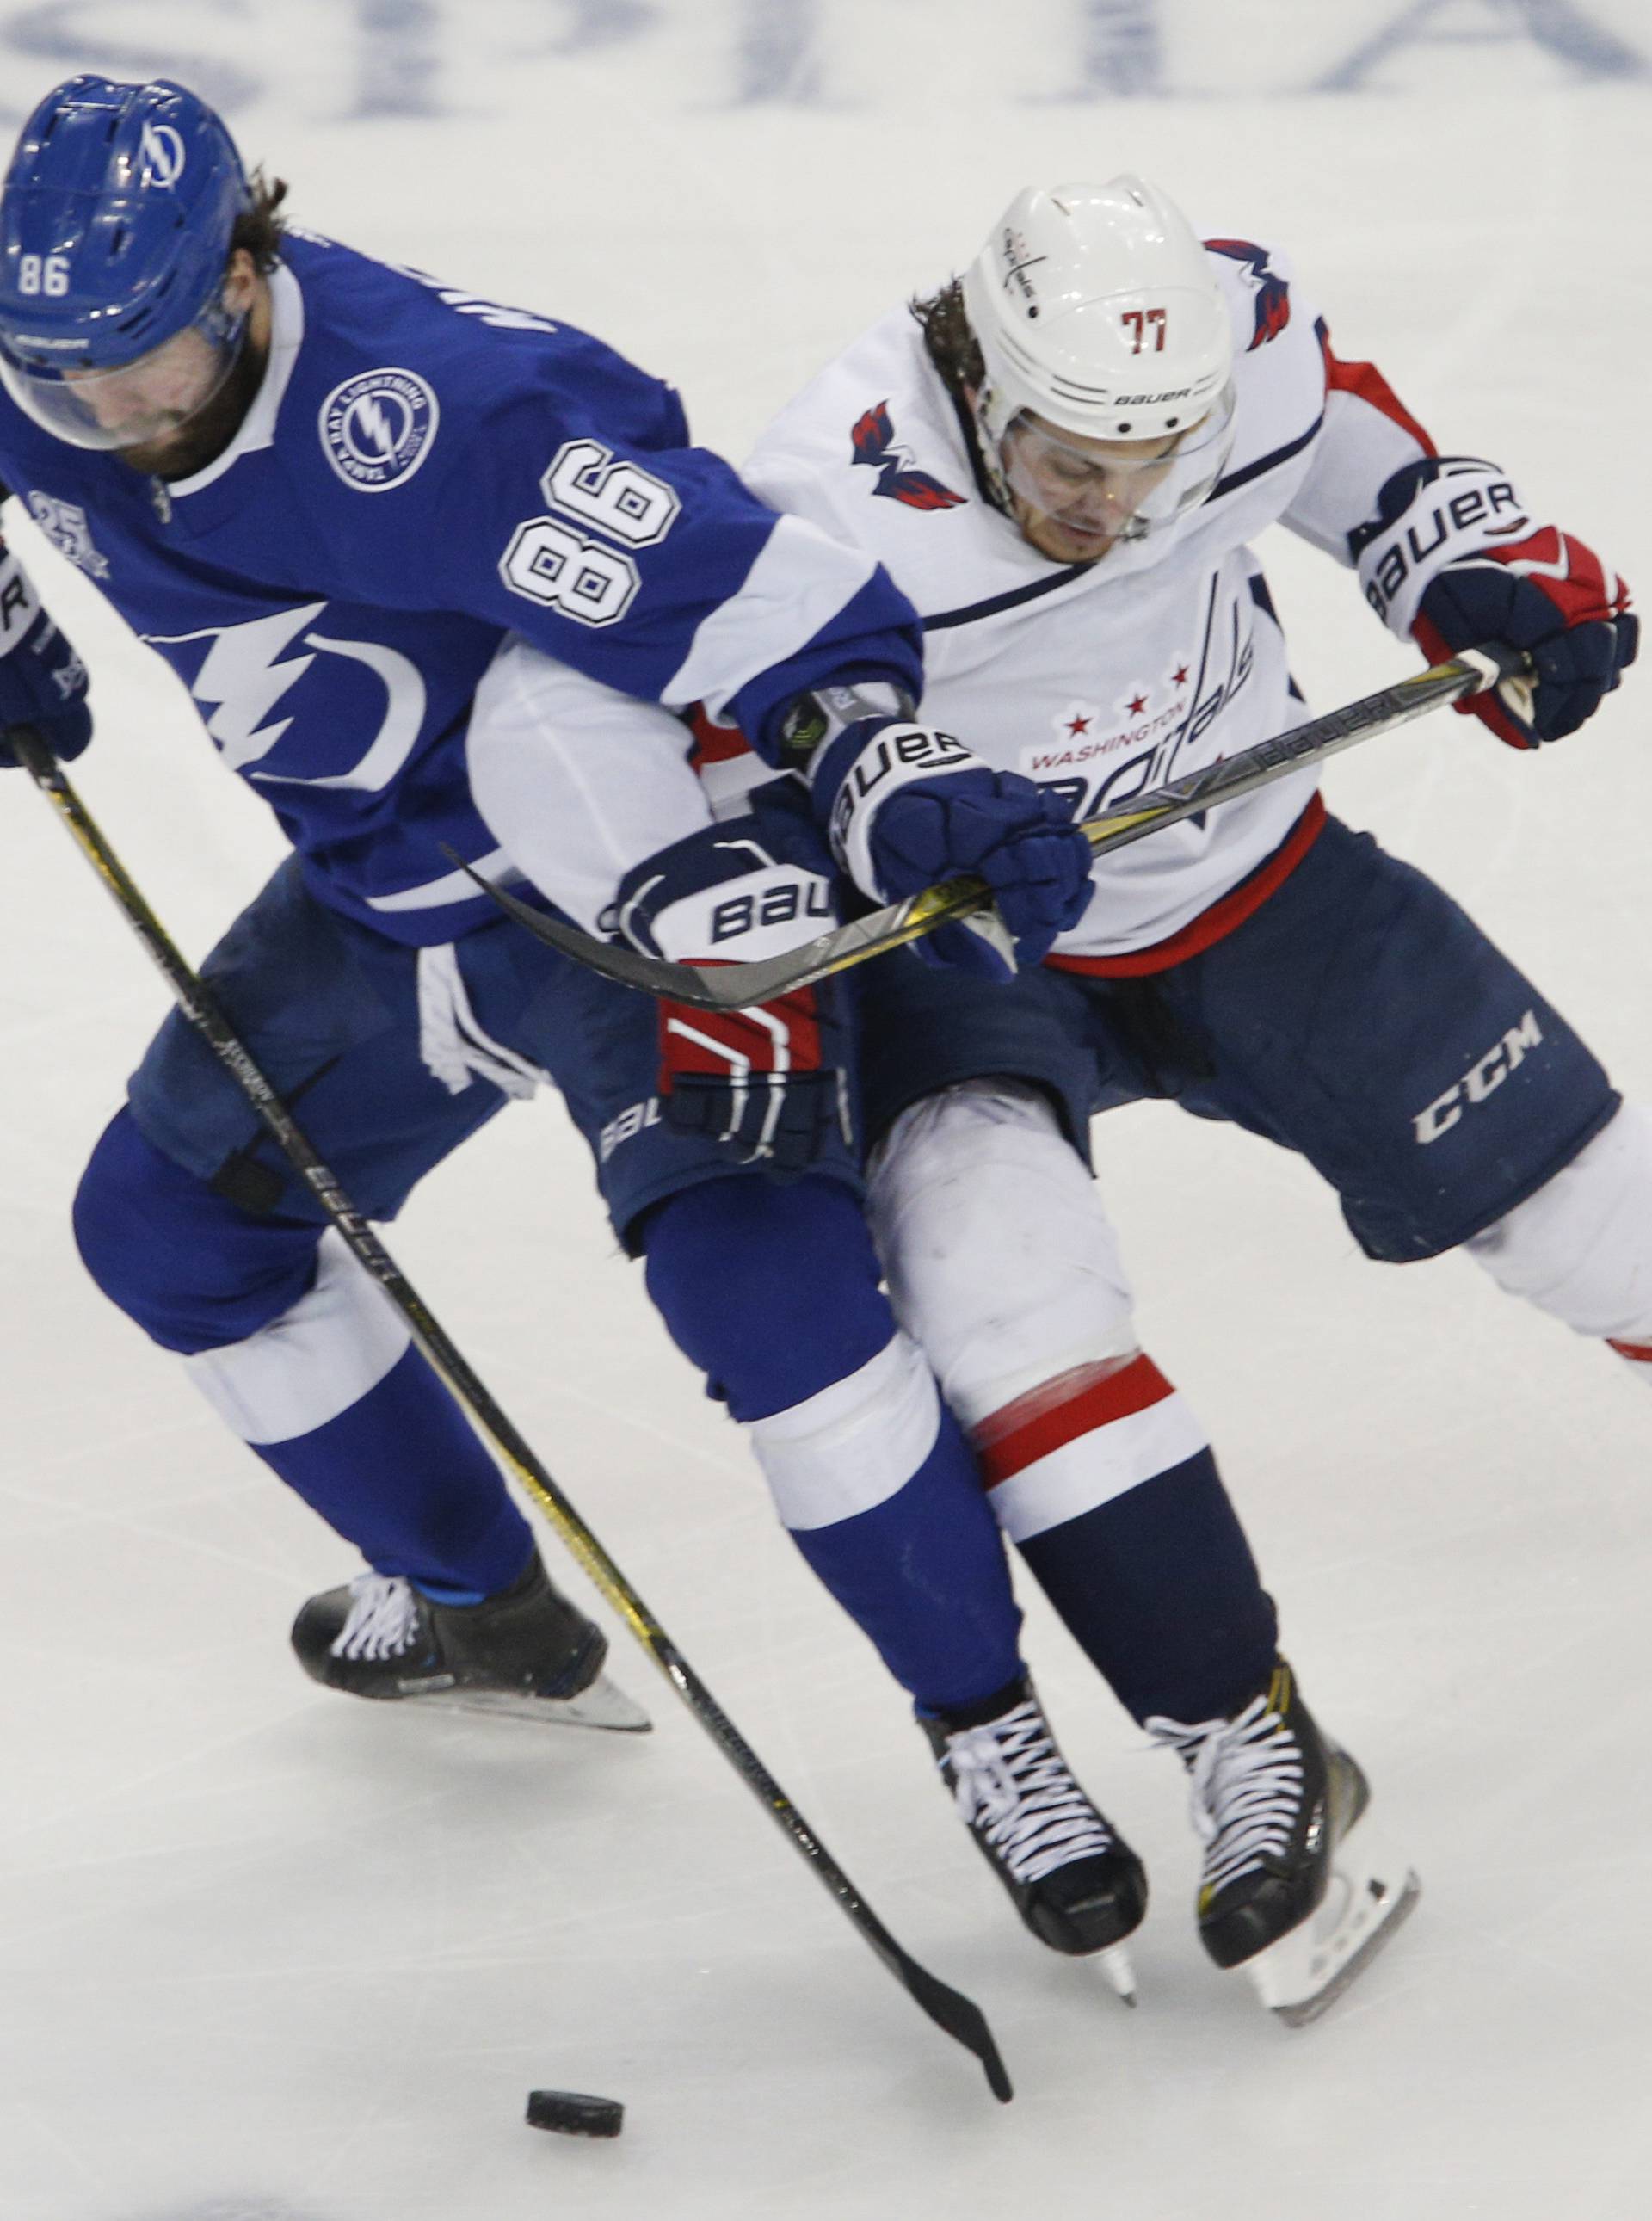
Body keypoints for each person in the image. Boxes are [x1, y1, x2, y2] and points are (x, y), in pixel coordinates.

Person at [0, 73, 1112, 1828]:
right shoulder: (54, 352)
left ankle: (992, 1731)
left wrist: (885, 757)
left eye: (141, 357)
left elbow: (750, 594)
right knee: (169, 1232)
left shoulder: (437, 414)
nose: (106, 409)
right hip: (380, 910)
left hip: (617, 894)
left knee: (770, 1294)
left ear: (236, 270)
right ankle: (480, 1608)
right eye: (63, 374)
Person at [691, 171, 1637, 2009]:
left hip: (1256, 879)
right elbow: (744, 744)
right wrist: (876, 810)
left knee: (1607, 1222)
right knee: (998, 1295)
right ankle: (1242, 1727)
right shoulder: (830, 490)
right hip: (981, 957)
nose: (1112, 505)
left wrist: (1464, 559)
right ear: (973, 370)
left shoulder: (1239, 336)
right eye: (1065, 462)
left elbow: (1348, 442)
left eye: (1151, 457)